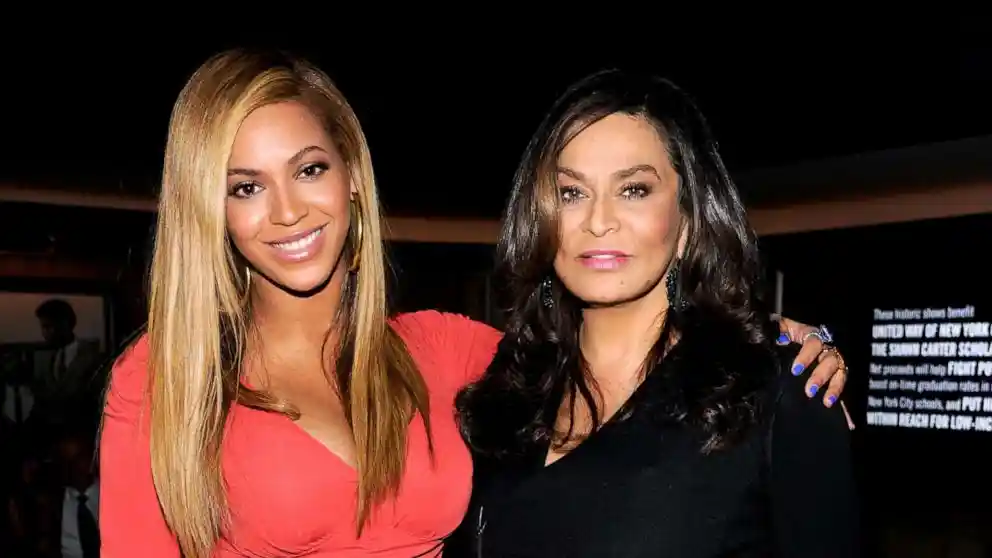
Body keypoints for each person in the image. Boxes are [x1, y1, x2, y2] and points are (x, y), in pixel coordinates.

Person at [100, 50, 850, 558]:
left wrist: (765, 341)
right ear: (211, 208)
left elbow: (612, 366)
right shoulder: (167, 376)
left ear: (351, 176)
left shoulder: (447, 353)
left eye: (309, 169)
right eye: (245, 186)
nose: (288, 210)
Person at [448, 69, 858, 557]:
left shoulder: (773, 394)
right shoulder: (505, 390)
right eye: (571, 193)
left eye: (634, 189)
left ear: (688, 218)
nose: (599, 221)